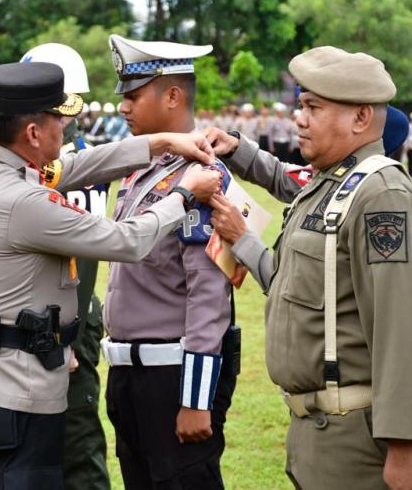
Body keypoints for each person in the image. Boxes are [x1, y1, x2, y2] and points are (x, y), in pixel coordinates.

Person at [0, 61, 221, 490]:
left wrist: (160, 142)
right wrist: (183, 194)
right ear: (33, 133)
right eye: (59, 118)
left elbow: (77, 167)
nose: (66, 126)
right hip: (16, 392)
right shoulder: (25, 202)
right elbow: (127, 241)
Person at [207, 46, 412, 489]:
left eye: (313, 107)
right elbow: (289, 280)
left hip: (356, 440)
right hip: (318, 432)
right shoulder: (329, 183)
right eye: (301, 105)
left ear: (360, 118)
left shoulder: (382, 197)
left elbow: (402, 328)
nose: (299, 118)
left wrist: (404, 447)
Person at [102, 34, 236, 490]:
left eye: (133, 95)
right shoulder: (146, 168)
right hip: (129, 374)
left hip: (171, 377)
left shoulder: (201, 176)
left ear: (173, 96)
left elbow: (209, 290)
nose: (123, 107)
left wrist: (196, 398)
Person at [20, 41, 111, 490]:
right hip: (27, 322)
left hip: (63, 324)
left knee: (75, 446)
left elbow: (83, 263)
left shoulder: (78, 166)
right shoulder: (39, 162)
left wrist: (66, 335)